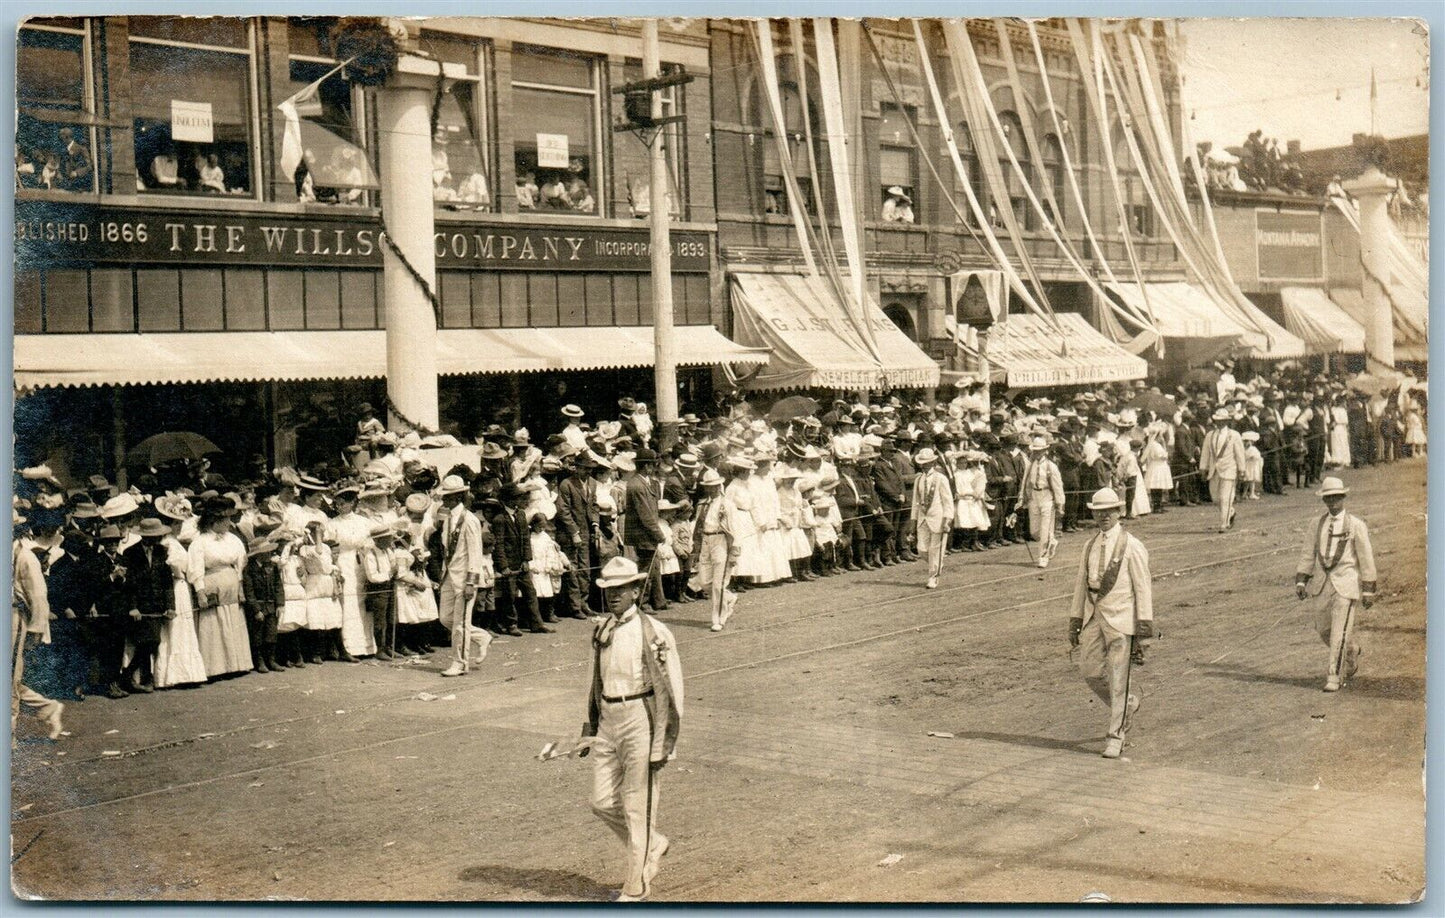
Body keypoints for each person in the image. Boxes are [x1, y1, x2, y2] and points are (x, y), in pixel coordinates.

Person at [579, 556, 684, 901]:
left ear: (636, 591)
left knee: (638, 806)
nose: (613, 596)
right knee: (601, 801)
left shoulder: (654, 632)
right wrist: (588, 726)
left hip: (641, 716)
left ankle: (635, 889)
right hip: (608, 720)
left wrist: (664, 743)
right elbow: (596, 681)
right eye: (608, 589)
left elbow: (672, 688)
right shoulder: (603, 629)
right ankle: (653, 844)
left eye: (621, 589)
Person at [1068, 488, 1154, 759]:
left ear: (1119, 512)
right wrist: (1075, 619)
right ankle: (1127, 705)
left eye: (1109, 511)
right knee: (1090, 671)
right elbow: (1080, 585)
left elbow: (1143, 588)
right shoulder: (1090, 544)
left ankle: (1116, 736)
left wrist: (1144, 628)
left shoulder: (1132, 545)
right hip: (1095, 616)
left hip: (1122, 619)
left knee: (1119, 678)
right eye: (1098, 512)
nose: (1104, 516)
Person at [1295, 477, 1376, 692]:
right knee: (1323, 629)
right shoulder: (1317, 524)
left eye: (1336, 499)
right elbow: (1307, 553)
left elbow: (1366, 558)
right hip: (1322, 585)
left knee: (1339, 632)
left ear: (1343, 498)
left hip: (1346, 586)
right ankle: (1351, 651)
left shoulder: (1356, 525)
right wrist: (1302, 580)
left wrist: (1368, 590)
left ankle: (1334, 676)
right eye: (1328, 499)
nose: (1332, 503)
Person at [12, 511, 66, 739]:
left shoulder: (24, 556)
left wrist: (36, 630)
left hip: (12, 619)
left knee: (10, 678)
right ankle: (47, 707)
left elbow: (38, 595)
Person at [187, 500, 253, 678]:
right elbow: (196, 569)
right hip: (212, 585)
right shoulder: (200, 542)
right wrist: (200, 592)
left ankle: (236, 664)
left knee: (233, 621)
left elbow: (240, 565)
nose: (228, 523)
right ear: (212, 521)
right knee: (213, 625)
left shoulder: (233, 540)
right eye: (224, 520)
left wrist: (239, 587)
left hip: (231, 585)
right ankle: (215, 668)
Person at [436, 475, 489, 676]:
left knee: (459, 624)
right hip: (449, 575)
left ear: (458, 496)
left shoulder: (470, 520)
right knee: (445, 618)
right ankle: (480, 636)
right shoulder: (447, 518)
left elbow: (475, 553)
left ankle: (460, 663)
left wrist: (471, 582)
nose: (444, 501)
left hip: (465, 578)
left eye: (448, 497)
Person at [118, 518, 175, 692]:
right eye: (151, 536)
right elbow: (130, 585)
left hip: (157, 604)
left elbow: (167, 582)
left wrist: (171, 605)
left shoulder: (162, 551)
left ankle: (130, 675)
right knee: (145, 641)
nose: (155, 540)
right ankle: (141, 677)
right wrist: (133, 606)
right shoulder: (131, 553)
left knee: (153, 641)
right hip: (139, 605)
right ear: (143, 536)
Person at [690, 468, 738, 631]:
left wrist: (734, 551)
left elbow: (734, 529)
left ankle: (718, 618)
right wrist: (696, 546)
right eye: (708, 486)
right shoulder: (702, 504)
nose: (711, 489)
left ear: (720, 486)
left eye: (714, 486)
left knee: (718, 583)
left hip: (721, 540)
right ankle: (729, 598)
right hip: (706, 540)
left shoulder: (727, 505)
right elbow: (697, 526)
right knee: (704, 582)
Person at [1018, 435, 1065, 568]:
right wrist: (1022, 498)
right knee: (1034, 531)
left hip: (1047, 497)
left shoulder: (1051, 466)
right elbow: (1025, 483)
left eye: (1040, 450)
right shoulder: (1030, 465)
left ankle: (1043, 557)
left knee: (1045, 530)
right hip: (1034, 497)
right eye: (1035, 450)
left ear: (1045, 451)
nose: (1037, 453)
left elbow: (1058, 486)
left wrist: (1060, 504)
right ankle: (1052, 541)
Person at [910, 448, 953, 589]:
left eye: (928, 462)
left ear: (933, 462)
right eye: (923, 463)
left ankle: (933, 576)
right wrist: (913, 521)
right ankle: (937, 564)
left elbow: (948, 501)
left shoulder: (941, 478)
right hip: (923, 519)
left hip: (938, 518)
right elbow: (915, 502)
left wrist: (947, 519)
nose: (925, 465)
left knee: (936, 549)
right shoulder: (918, 479)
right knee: (921, 549)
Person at [1199, 408, 1246, 532]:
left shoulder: (1234, 435)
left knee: (1225, 497)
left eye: (1222, 420)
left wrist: (1242, 469)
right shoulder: (1210, 435)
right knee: (1215, 498)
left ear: (1227, 421)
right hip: (1214, 470)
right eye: (1217, 420)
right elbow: (1205, 453)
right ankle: (1230, 512)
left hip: (1229, 469)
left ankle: (1224, 524)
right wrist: (1203, 468)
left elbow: (1240, 453)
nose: (1219, 423)